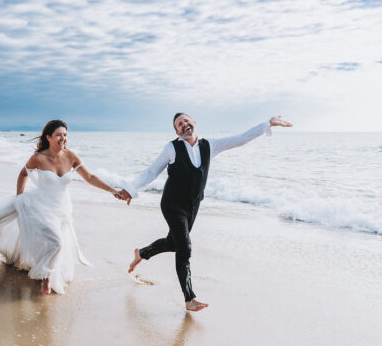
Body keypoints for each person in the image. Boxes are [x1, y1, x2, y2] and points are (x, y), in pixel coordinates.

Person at [120, 114, 292, 312]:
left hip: (192, 206)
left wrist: (268, 124)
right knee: (185, 247)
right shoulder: (171, 148)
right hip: (172, 204)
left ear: (194, 123)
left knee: (174, 243)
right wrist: (130, 189)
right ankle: (189, 299)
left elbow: (241, 139)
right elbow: (151, 172)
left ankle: (141, 253)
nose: (184, 124)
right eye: (179, 124)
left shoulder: (210, 145)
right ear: (177, 132)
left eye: (186, 121)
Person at [0, 120, 124, 295]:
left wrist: (112, 191)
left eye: (65, 135)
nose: (63, 138)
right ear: (48, 137)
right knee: (55, 243)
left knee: (54, 243)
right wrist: (19, 197)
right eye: (58, 135)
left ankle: (43, 271)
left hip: (62, 209)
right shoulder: (39, 158)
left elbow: (90, 176)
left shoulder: (71, 156)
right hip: (40, 207)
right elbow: (23, 173)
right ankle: (45, 278)